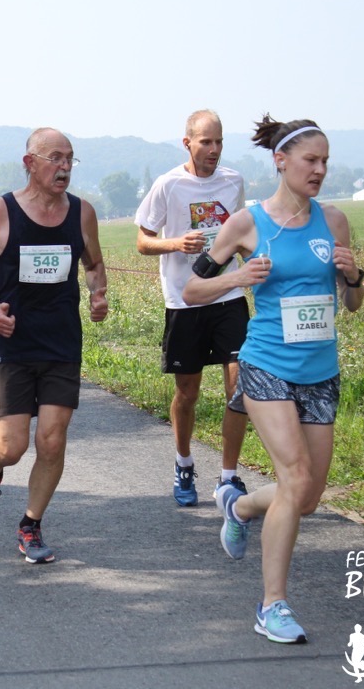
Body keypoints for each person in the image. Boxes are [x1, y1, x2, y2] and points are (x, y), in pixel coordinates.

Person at [183, 116, 364, 644]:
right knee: (295, 475)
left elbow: (353, 303)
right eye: (311, 160)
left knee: (306, 495)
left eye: (325, 161)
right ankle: (272, 605)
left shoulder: (334, 221)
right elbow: (193, 289)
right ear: (281, 162)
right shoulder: (247, 223)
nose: (320, 169)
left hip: (321, 371)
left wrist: (353, 277)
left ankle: (240, 507)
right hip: (267, 365)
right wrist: (239, 277)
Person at [0, 128, 109, 563]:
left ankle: (30, 525)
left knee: (52, 440)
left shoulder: (82, 213)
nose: (64, 167)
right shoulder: (2, 211)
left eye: (70, 159)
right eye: (55, 158)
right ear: (30, 163)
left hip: (62, 343)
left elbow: (94, 263)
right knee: (12, 447)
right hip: (14, 344)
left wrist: (98, 293)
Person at [135, 109, 250, 506]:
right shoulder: (168, 185)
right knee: (188, 392)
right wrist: (175, 243)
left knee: (239, 388)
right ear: (188, 143)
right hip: (184, 299)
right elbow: (143, 241)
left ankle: (229, 477)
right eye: (206, 142)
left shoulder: (233, 181)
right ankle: (184, 463)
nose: (214, 150)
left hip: (229, 294)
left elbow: (242, 234)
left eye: (219, 142)